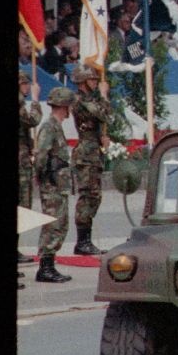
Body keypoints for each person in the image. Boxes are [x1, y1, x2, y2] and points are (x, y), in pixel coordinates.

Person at [33, 88, 77, 282]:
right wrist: (42, 175)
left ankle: (49, 266)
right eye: (68, 106)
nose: (70, 110)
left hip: (59, 184)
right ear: (63, 106)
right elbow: (41, 154)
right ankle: (45, 268)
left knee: (60, 224)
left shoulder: (56, 126)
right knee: (53, 225)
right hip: (52, 184)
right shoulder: (49, 127)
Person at [70, 64, 110, 256]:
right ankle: (82, 241)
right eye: (92, 79)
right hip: (86, 153)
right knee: (88, 196)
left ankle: (85, 240)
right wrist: (104, 95)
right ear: (83, 81)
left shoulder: (87, 99)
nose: (95, 82)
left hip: (92, 151)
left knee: (94, 195)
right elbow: (104, 114)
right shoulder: (80, 100)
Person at [19, 72, 41, 264]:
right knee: (22, 205)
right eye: (26, 84)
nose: (28, 87)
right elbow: (32, 120)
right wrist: (35, 100)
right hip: (20, 162)